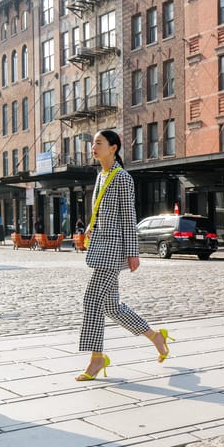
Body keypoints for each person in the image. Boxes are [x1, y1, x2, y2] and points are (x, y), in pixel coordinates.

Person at [76, 130, 172, 381]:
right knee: (112, 306)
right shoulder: (101, 175)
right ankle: (155, 336)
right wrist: (90, 226)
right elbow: (100, 209)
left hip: (114, 249)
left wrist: (133, 252)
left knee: (92, 300)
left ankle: (97, 358)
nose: (94, 147)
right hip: (100, 244)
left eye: (99, 143)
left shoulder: (123, 178)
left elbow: (128, 217)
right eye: (94, 143)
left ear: (114, 148)